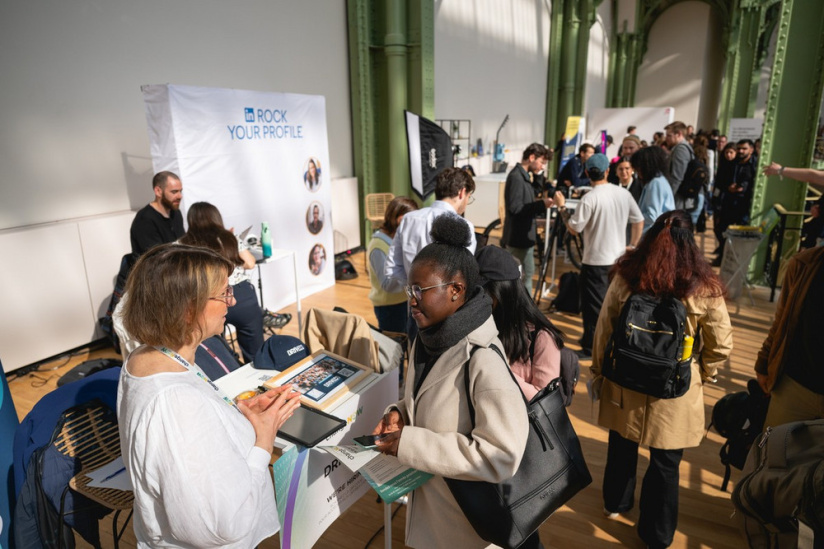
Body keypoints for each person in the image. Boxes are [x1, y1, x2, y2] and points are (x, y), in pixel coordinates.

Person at [118, 243, 302, 548]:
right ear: (189, 309)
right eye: (224, 293)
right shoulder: (174, 404)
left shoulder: (146, 357)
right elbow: (222, 524)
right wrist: (263, 440)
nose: (232, 302)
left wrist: (235, 414)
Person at [372, 215, 529, 549]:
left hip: (466, 530)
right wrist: (399, 411)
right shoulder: (426, 339)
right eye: (409, 288)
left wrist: (409, 443)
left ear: (457, 290)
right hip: (430, 515)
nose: (411, 299)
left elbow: (502, 454)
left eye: (420, 290)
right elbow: (427, 398)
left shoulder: (483, 358)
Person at [592, 210, 733, 549]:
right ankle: (657, 534)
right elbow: (721, 344)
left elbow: (604, 330)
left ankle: (616, 503)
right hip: (675, 390)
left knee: (621, 446)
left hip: (625, 381)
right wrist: (706, 371)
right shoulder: (702, 287)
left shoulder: (627, 276)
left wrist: (599, 372)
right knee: (666, 464)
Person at [554, 153, 644, 357]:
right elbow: (638, 220)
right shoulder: (623, 194)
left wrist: (561, 207)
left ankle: (591, 347)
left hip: (595, 260)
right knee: (615, 302)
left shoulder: (590, 198)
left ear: (586, 173)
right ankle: (601, 341)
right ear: (607, 171)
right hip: (619, 258)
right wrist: (632, 245)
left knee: (594, 306)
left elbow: (574, 228)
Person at [476, 245, 564, 400]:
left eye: (483, 292)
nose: (477, 299)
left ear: (503, 292)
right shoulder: (477, 323)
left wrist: (495, 371)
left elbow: (544, 400)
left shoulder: (542, 336)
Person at [179, 202, 263, 364]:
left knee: (218, 353)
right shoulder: (229, 238)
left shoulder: (183, 244)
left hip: (207, 298)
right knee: (255, 351)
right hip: (241, 295)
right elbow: (250, 263)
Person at [755, 245, 824, 428]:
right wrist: (763, 361)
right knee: (772, 453)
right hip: (795, 386)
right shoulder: (804, 264)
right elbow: (782, 321)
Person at [385, 167, 476, 287]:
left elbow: (392, 268)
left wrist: (415, 289)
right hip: (447, 303)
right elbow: (464, 275)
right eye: (469, 197)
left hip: (413, 301)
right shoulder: (465, 226)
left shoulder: (408, 219)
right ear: (462, 192)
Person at [501, 143, 554, 295]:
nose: (542, 166)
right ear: (531, 157)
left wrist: (538, 174)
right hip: (519, 238)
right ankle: (524, 313)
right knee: (521, 277)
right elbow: (516, 208)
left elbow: (534, 192)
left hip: (525, 236)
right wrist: (541, 205)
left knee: (528, 274)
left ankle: (525, 312)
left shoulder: (523, 176)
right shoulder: (517, 177)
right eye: (541, 162)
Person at [367, 196, 419, 333]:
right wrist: (409, 270)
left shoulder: (396, 240)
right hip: (389, 308)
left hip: (402, 303)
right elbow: (386, 285)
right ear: (401, 220)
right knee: (394, 347)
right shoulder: (378, 246)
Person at [129, 171, 184, 257]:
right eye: (174, 192)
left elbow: (182, 244)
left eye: (180, 191)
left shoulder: (176, 213)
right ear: (158, 191)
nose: (180, 196)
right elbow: (156, 257)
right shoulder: (145, 219)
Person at [631, 146, 675, 232]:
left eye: (638, 168)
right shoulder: (658, 180)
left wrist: (631, 217)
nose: (638, 172)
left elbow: (652, 216)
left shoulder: (656, 183)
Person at [664, 121, 694, 210]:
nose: (666, 138)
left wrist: (668, 198)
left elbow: (677, 177)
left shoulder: (681, 149)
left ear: (679, 134)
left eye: (669, 135)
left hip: (678, 199)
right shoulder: (679, 148)